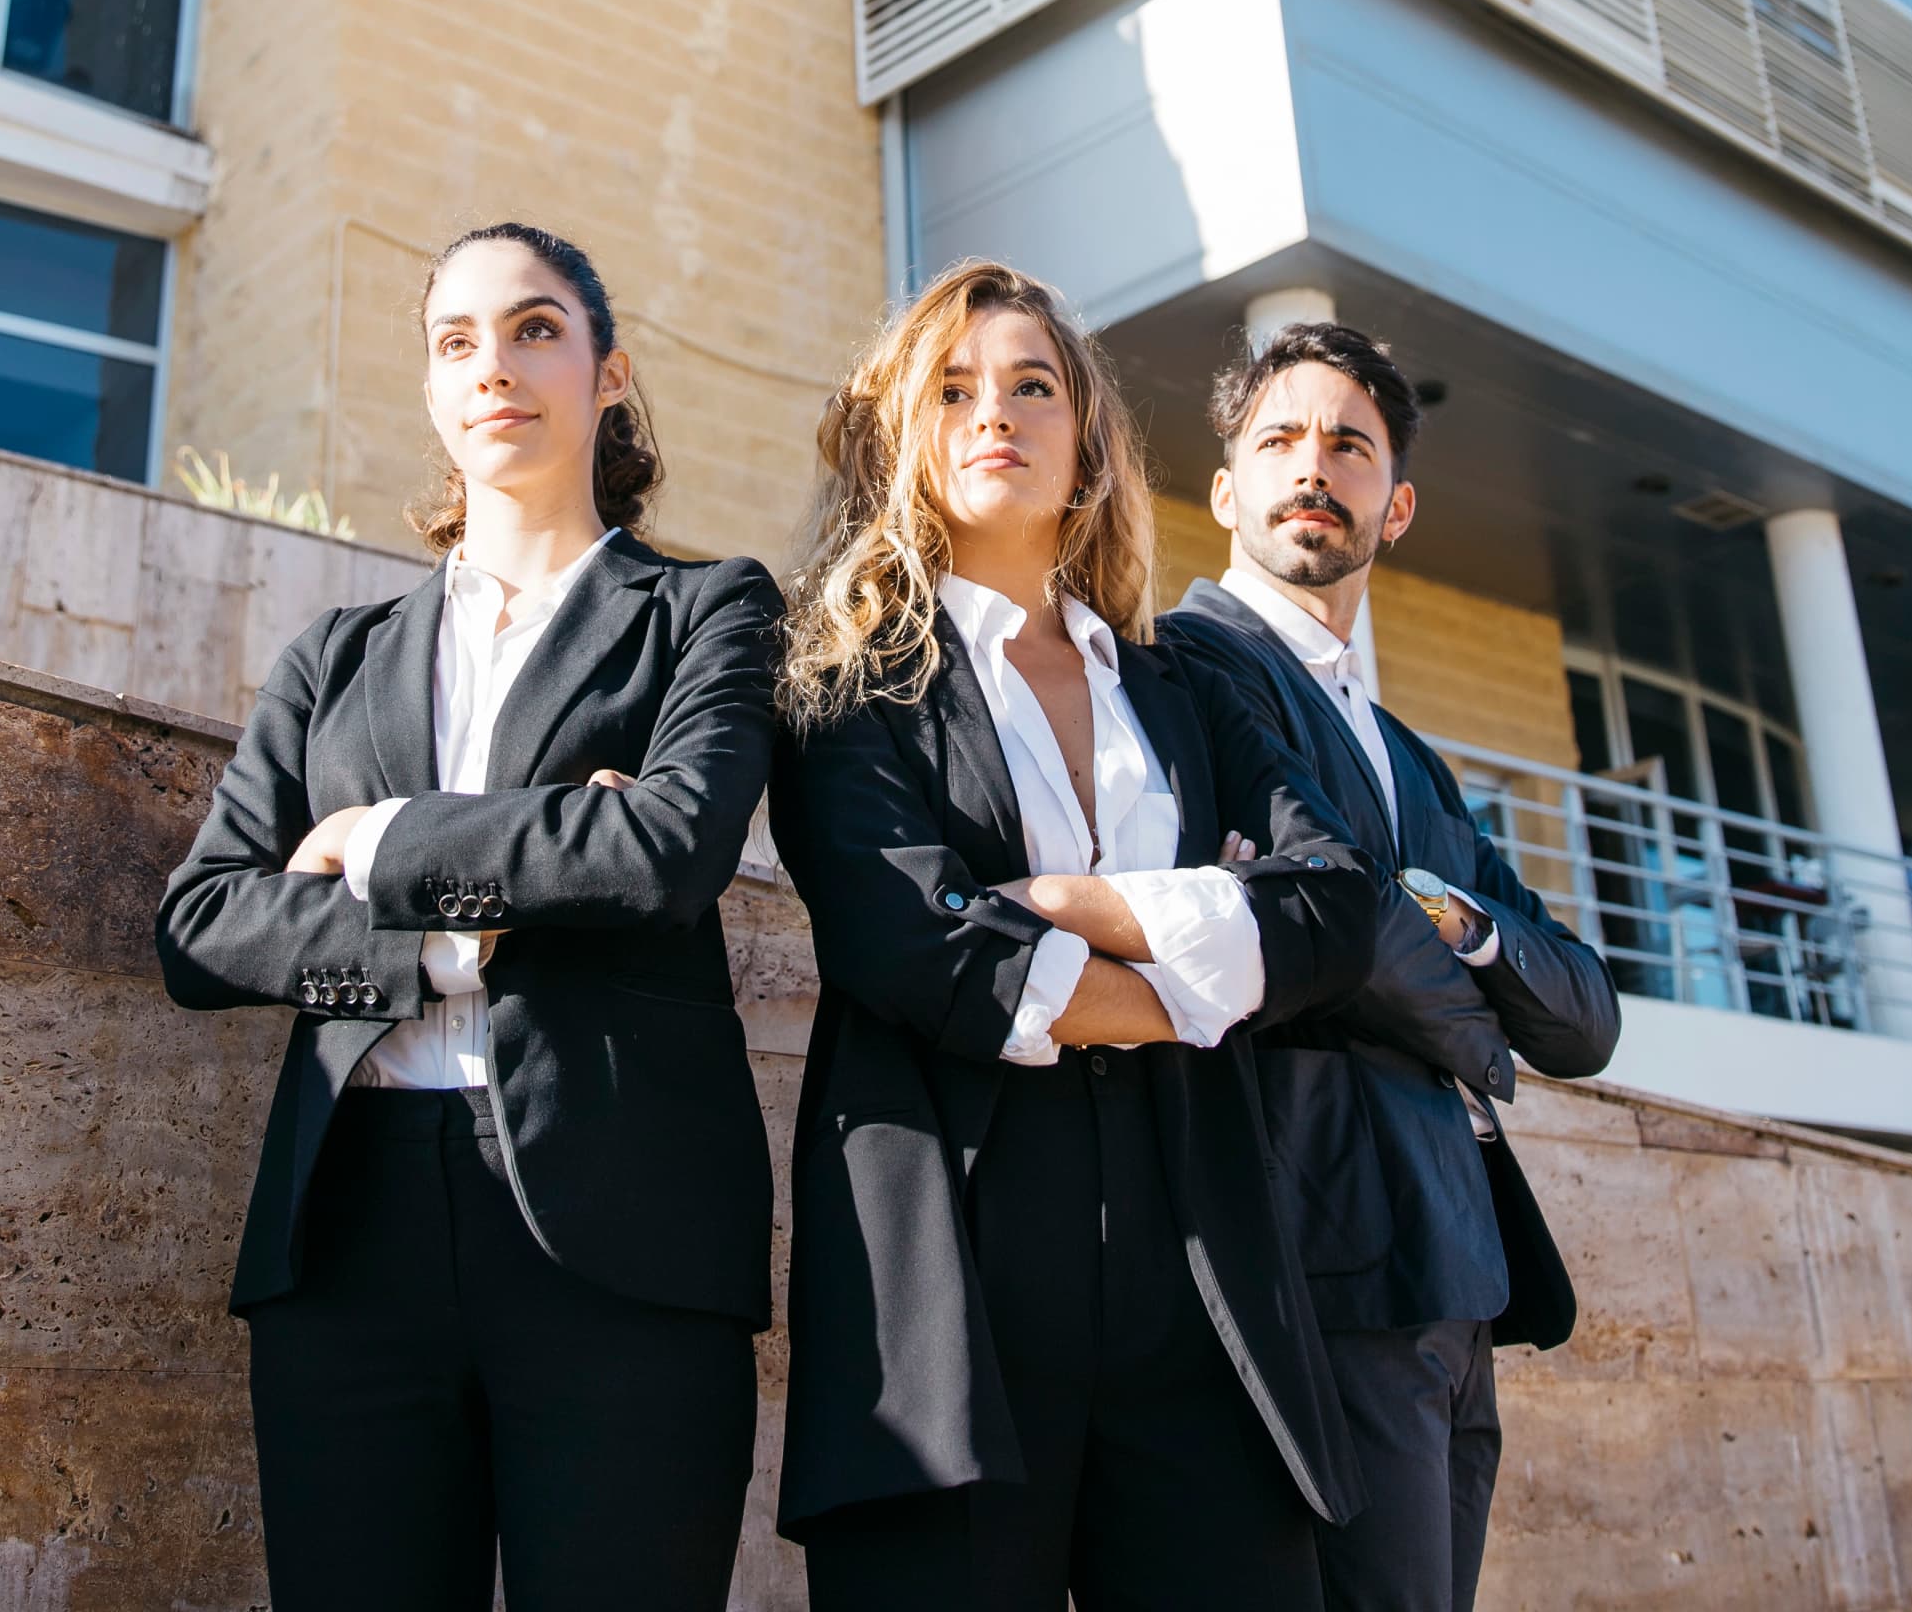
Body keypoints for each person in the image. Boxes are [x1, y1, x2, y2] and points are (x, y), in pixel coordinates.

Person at [154, 223, 778, 1612]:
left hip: (624, 1233)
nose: (494, 365)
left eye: (536, 330)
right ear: (433, 392)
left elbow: (666, 849)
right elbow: (202, 925)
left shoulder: (707, 612)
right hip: (351, 1227)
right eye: (457, 342)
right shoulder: (336, 658)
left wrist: (380, 840)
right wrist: (462, 927)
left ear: (607, 375)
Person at [771, 257, 1381, 1611]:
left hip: (1203, 1262)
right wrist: (1209, 975)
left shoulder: (1187, 683)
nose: (998, 411)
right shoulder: (845, 681)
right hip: (955, 1274)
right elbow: (917, 949)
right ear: (904, 438)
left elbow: (1338, 905)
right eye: (954, 388)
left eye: (1034, 385)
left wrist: (1078, 906)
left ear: (1089, 441)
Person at [1157, 319, 1618, 1612]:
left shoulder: (1417, 759)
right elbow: (1342, 924)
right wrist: (1479, 1033)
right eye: (1281, 440)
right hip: (1326, 1238)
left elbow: (1585, 1015)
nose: (1316, 465)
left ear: (1396, 504)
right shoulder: (1194, 666)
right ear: (1224, 488)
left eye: (1350, 445)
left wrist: (1465, 929)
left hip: (1459, 1270)